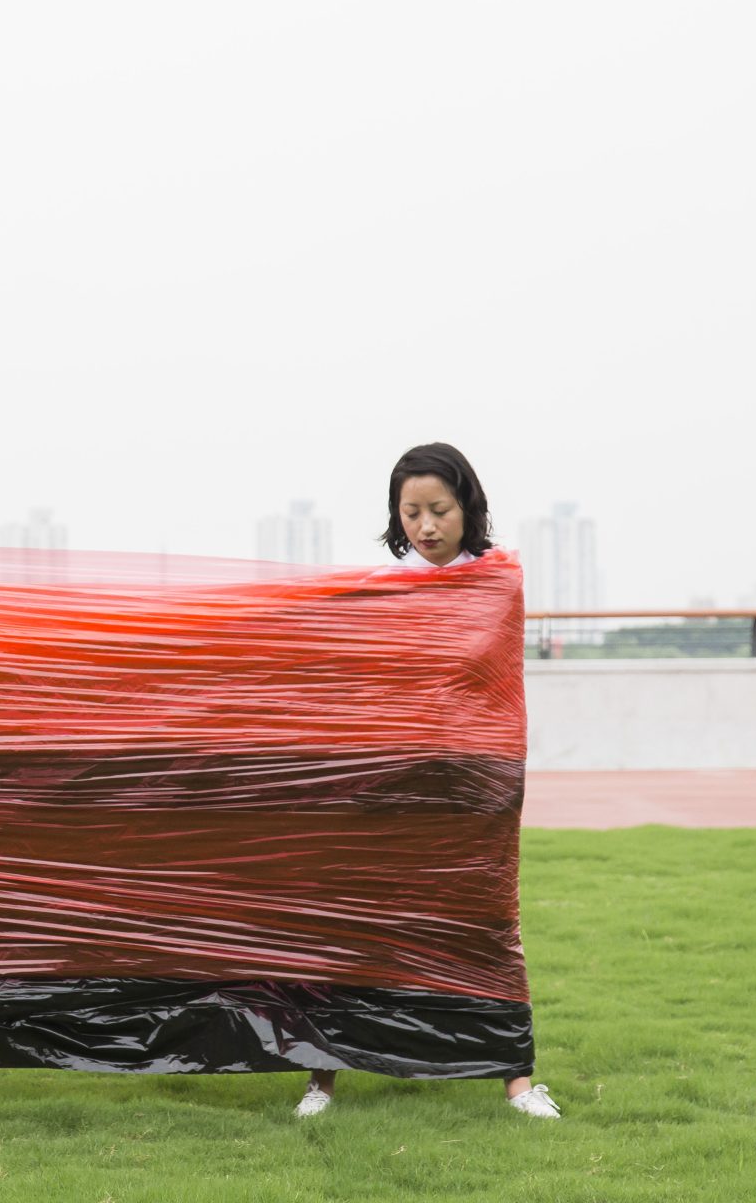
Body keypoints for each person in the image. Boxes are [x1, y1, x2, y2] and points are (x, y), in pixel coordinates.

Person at [295, 441, 560, 1121]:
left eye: (438, 509)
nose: (426, 526)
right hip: (387, 786)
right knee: (358, 925)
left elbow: (495, 690)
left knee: (484, 926)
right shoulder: (383, 591)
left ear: (467, 506)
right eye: (411, 512)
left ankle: (518, 1082)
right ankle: (321, 1079)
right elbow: (356, 687)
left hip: (471, 788)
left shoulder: (496, 583)